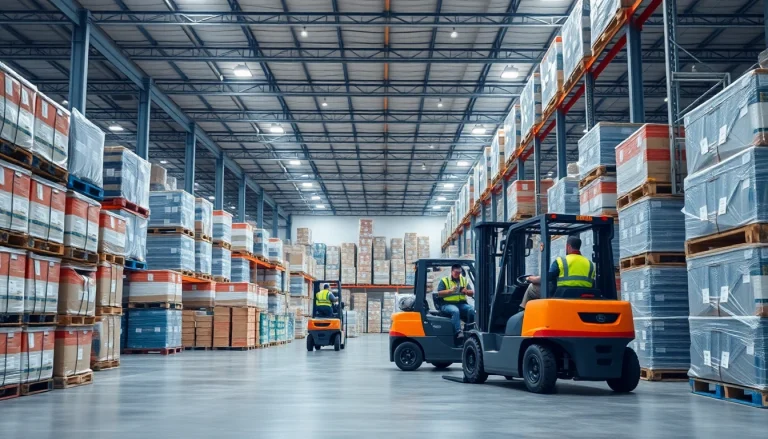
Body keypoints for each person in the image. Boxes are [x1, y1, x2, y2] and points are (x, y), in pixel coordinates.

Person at [521, 235, 595, 309]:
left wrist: (530, 279)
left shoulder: (561, 261)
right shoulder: (589, 263)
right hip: (584, 296)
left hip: (562, 296)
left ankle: (522, 312)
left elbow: (546, 278)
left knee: (531, 288)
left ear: (568, 247)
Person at [436, 264, 475, 341]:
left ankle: (469, 329)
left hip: (461, 303)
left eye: (459, 272)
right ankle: (458, 332)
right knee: (455, 311)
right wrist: (450, 291)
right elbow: (439, 293)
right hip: (446, 304)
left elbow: (471, 293)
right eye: (456, 272)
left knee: (471, 310)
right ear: (452, 271)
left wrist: (466, 291)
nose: (458, 274)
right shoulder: (445, 280)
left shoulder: (463, 280)